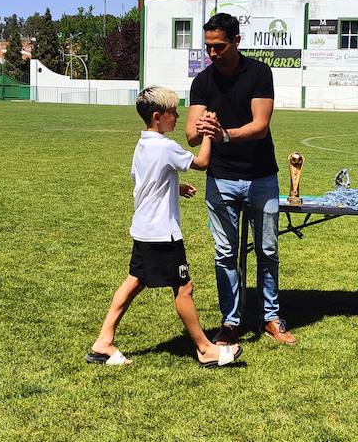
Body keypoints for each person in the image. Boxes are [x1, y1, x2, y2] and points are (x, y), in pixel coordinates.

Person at [87, 86, 242, 368]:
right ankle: (205, 349)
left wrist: (174, 186)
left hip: (144, 229)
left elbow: (146, 180)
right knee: (184, 288)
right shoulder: (165, 146)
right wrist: (208, 132)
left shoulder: (143, 144)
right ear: (158, 116)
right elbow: (202, 162)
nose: (178, 115)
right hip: (162, 234)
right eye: (173, 112)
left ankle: (103, 342)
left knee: (135, 281)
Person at [186, 13, 295, 346]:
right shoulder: (202, 81)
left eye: (219, 46)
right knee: (224, 254)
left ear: (236, 41)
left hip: (261, 177)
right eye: (208, 47)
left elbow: (260, 124)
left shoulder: (259, 73)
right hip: (221, 180)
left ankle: (271, 318)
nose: (213, 53)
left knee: (267, 251)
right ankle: (230, 322)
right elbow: (191, 134)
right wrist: (202, 130)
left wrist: (225, 135)